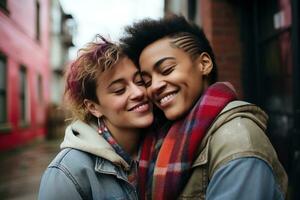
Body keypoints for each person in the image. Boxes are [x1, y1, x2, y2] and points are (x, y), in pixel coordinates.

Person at [121, 15, 288, 200]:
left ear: (204, 64)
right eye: (147, 81)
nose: (154, 86)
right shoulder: (160, 137)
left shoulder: (237, 141)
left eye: (167, 69)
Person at [38, 35, 153, 199]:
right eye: (120, 90)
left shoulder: (163, 147)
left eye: (140, 81)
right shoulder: (67, 173)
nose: (138, 92)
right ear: (93, 107)